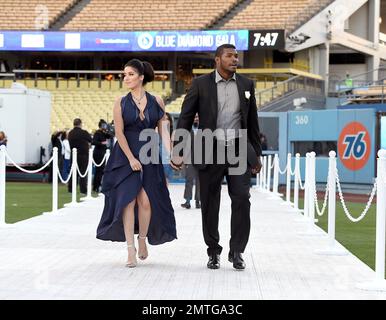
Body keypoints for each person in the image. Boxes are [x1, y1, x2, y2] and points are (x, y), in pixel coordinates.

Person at [171, 44, 262, 271]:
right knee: (210, 204)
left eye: (236, 56)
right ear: (217, 59)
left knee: (242, 198)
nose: (234, 59)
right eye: (229, 56)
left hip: (238, 149)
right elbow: (185, 118)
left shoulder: (246, 84)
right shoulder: (200, 84)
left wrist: (256, 155)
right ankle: (213, 251)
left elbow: (252, 123)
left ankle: (237, 250)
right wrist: (178, 150)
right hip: (208, 150)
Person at [96, 59, 177, 268]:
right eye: (124, 74)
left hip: (149, 155)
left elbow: (164, 133)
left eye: (130, 74)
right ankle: (130, 250)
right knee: (128, 201)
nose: (126, 78)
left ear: (141, 77)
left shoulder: (157, 101)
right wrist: (131, 158)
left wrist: (173, 154)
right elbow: (119, 133)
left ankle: (143, 240)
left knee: (146, 201)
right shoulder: (120, 101)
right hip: (125, 156)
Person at [181, 114, 201, 209]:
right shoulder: (187, 130)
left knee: (200, 181)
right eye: (194, 117)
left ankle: (198, 201)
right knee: (189, 180)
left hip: (202, 160)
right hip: (189, 159)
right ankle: (187, 201)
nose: (196, 118)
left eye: (197, 117)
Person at [68, 118, 92, 195]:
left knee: (73, 173)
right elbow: (90, 140)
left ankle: (71, 189)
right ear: (80, 124)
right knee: (83, 172)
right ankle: (83, 190)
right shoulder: (83, 132)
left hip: (74, 154)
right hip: (83, 155)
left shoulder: (70, 133)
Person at [92, 119, 113, 192]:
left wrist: (108, 129)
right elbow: (93, 142)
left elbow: (110, 135)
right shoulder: (97, 133)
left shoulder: (104, 133)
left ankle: (99, 185)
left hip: (103, 153)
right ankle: (96, 186)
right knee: (99, 170)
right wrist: (102, 143)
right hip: (98, 153)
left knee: (101, 170)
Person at [160, 112, 174, 184]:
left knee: (165, 182)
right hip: (156, 159)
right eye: (163, 119)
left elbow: (172, 147)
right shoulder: (155, 130)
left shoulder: (172, 133)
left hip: (166, 160)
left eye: (167, 119)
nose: (165, 121)